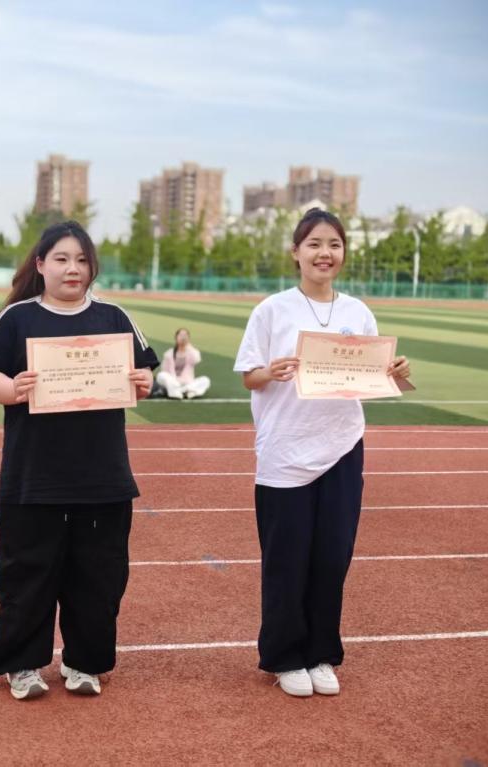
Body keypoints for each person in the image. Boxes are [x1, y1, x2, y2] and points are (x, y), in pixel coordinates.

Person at [0, 220, 158, 701]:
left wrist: (143, 382)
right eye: (61, 259)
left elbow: (144, 373)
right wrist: (11, 389)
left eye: (81, 260)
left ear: (91, 267)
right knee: (26, 577)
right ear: (40, 265)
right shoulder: (17, 318)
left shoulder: (113, 317)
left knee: (99, 579)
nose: (72, 268)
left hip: (103, 478)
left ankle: (84, 662)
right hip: (32, 477)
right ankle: (21, 665)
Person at [233, 208, 411, 699]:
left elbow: (374, 377)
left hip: (342, 447)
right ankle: (285, 657)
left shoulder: (358, 312)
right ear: (296, 252)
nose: (324, 253)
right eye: (313, 244)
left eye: (333, 244)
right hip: (285, 451)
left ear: (344, 252)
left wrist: (396, 372)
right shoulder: (272, 310)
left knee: (332, 558)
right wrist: (272, 371)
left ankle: (320, 654)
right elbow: (249, 376)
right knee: (287, 560)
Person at [156, 328, 211, 399]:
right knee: (161, 375)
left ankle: (183, 391)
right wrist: (176, 380)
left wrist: (189, 346)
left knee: (205, 380)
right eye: (181, 335)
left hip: (186, 382)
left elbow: (197, 359)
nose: (183, 337)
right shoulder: (169, 353)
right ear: (176, 338)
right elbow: (165, 371)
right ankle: (186, 392)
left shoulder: (191, 352)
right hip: (172, 382)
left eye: (185, 335)